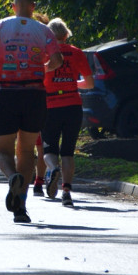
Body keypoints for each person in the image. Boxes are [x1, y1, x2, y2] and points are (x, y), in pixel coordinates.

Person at [0, 0, 63, 224]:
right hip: (34, 95)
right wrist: (41, 68)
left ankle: (12, 176)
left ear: (14, 6)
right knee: (26, 151)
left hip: (5, 93)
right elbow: (57, 60)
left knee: (3, 151)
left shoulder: (1, 26)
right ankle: (21, 207)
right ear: (33, 7)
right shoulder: (44, 30)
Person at [41, 18, 93, 207]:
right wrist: (71, 83)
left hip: (50, 105)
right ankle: (67, 192)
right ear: (66, 34)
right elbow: (89, 83)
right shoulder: (76, 53)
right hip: (73, 104)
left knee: (49, 148)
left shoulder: (44, 54)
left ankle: (53, 168)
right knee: (68, 152)